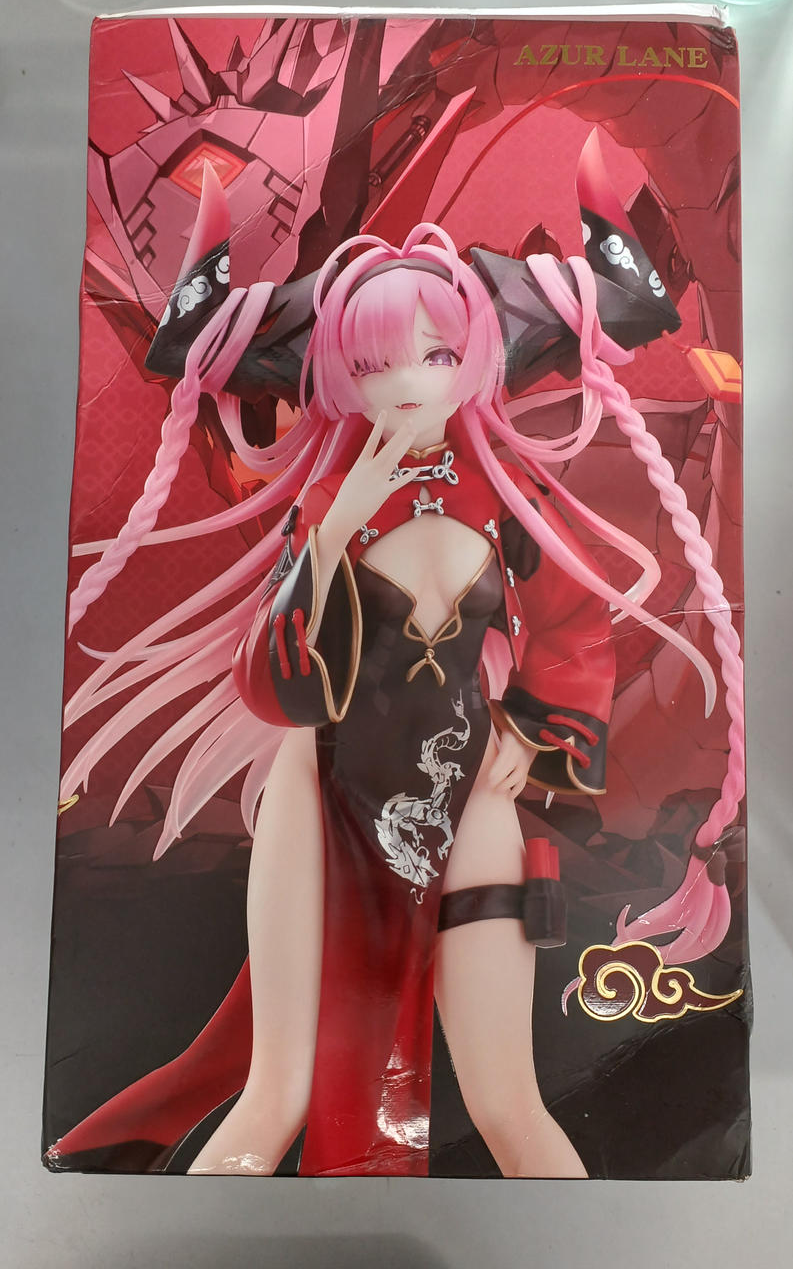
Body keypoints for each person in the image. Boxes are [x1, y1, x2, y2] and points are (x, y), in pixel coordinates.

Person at [49, 149, 744, 1178]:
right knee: (277, 1090)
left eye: (432, 353)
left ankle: (589, 1240)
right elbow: (275, 689)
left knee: (508, 1104)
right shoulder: (327, 502)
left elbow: (574, 625)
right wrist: (332, 534)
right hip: (325, 791)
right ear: (337, 373)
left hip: (473, 799)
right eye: (371, 365)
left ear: (473, 355)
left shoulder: (505, 496)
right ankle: (190, 1234)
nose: (405, 382)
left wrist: (535, 731)